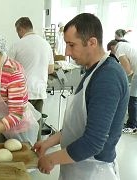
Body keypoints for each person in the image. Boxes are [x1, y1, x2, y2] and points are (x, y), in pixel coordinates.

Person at [32, 13, 129, 179]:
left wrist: (52, 159)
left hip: (93, 170)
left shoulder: (107, 77)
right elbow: (77, 125)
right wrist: (48, 142)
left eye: (71, 45)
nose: (67, 52)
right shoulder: (93, 70)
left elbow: (93, 142)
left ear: (92, 42)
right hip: (77, 164)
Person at [8, 17, 54, 113]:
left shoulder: (17, 45)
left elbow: (8, 69)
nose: (18, 35)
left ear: (21, 29)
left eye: (18, 32)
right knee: (36, 124)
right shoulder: (46, 44)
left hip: (21, 93)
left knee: (22, 125)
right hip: (40, 92)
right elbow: (50, 70)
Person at [108, 39, 137, 134]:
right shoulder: (126, 45)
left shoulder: (119, 49)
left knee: (133, 99)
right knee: (134, 98)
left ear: (112, 48)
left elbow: (127, 70)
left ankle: (132, 125)